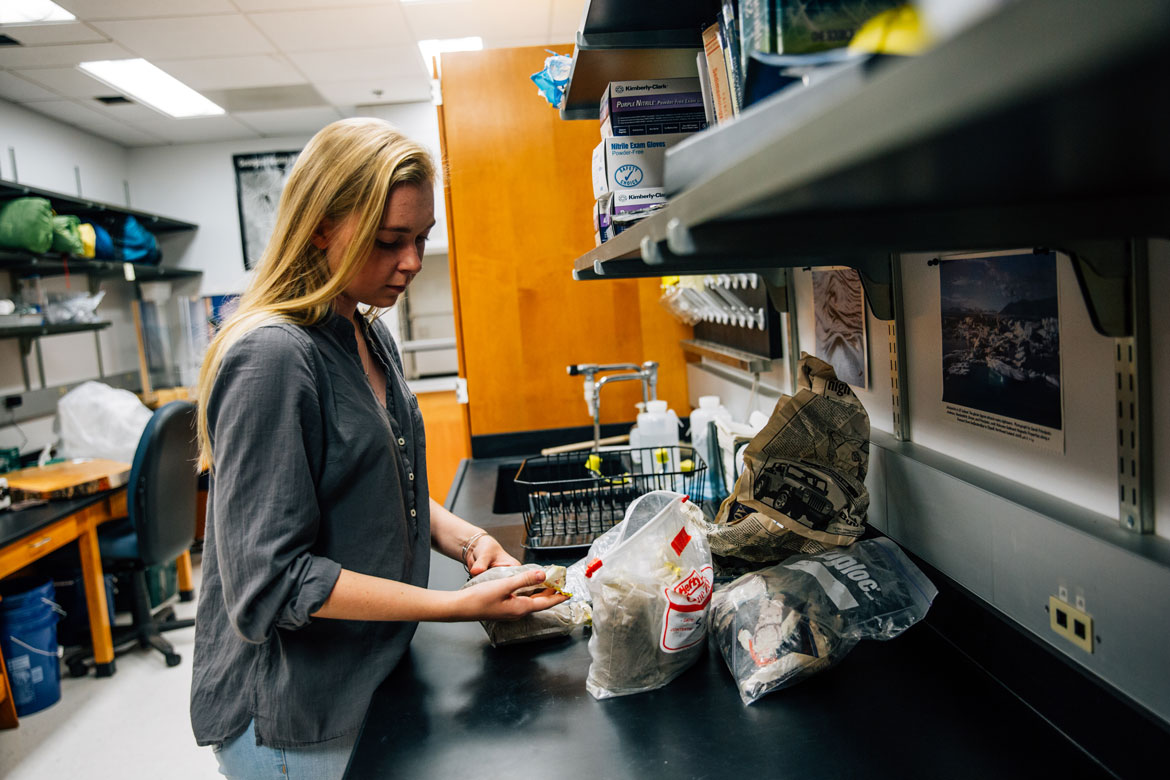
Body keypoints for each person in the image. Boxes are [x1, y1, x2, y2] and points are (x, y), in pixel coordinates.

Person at [190, 118, 567, 779]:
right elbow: (269, 584)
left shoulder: (366, 334)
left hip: (365, 675)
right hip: (295, 715)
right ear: (319, 227)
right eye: (391, 241)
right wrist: (453, 606)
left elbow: (382, 476)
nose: (414, 262)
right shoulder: (273, 357)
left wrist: (463, 540)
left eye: (422, 239)